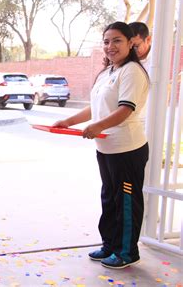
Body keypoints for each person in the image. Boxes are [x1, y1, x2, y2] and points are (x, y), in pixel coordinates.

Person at [53, 22, 149, 269]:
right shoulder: (108, 73)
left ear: (131, 43)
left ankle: (127, 252)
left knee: (126, 200)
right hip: (105, 148)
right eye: (106, 41)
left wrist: (97, 127)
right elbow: (94, 108)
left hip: (127, 149)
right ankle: (110, 245)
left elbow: (125, 110)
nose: (110, 46)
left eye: (117, 40)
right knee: (109, 198)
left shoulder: (133, 72)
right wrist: (68, 121)